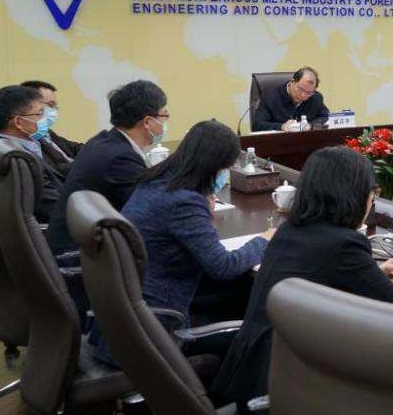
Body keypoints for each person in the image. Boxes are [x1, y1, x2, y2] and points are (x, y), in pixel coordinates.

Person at [211, 146, 393, 415]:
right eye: (372, 193)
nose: (371, 201)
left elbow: (320, 281)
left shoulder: (290, 229)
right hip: (286, 409)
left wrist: (373, 274)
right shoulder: (343, 245)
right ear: (353, 195)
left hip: (253, 389)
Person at [89, 120, 273, 366]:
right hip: (157, 326)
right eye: (224, 168)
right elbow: (223, 266)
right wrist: (264, 240)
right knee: (258, 333)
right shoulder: (184, 200)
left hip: (128, 314)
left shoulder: (157, 179)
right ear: (212, 165)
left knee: (235, 296)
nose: (224, 174)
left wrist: (204, 216)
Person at [47, 80, 169, 257]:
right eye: (164, 116)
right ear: (148, 122)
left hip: (80, 247)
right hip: (78, 257)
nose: (165, 122)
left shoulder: (104, 141)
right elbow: (150, 213)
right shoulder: (121, 158)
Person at [0, 85, 62, 223]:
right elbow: (57, 209)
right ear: (19, 122)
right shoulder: (21, 160)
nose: (45, 118)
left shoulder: (28, 144)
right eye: (40, 113)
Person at [20, 80, 81, 175]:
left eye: (55, 105)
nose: (55, 109)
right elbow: (53, 171)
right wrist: (85, 165)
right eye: (51, 105)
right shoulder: (27, 139)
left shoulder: (46, 132)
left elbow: (74, 148)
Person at [252, 67, 330, 131]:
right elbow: (257, 125)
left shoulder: (316, 98)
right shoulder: (270, 97)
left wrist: (310, 125)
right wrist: (281, 126)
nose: (303, 95)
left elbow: (325, 117)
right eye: (300, 89)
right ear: (292, 81)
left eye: (308, 93)